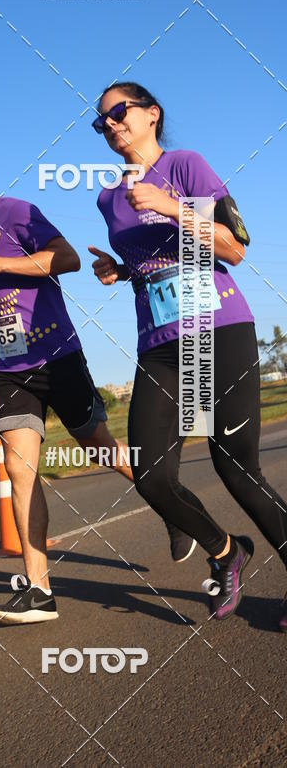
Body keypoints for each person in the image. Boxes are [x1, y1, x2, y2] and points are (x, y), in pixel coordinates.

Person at [0, 148, 191, 625]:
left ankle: (174, 508)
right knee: (18, 466)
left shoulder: (14, 211)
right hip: (11, 367)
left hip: (57, 356)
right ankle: (38, 590)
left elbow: (67, 258)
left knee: (100, 449)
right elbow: (9, 284)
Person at [90, 81, 287, 626]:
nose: (109, 124)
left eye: (119, 112)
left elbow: (235, 246)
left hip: (217, 328)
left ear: (152, 114)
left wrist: (173, 207)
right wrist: (119, 269)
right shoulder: (107, 198)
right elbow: (150, 265)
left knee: (234, 465)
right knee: (152, 475)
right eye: (100, 121)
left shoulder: (185, 167)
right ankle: (228, 553)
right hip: (158, 344)